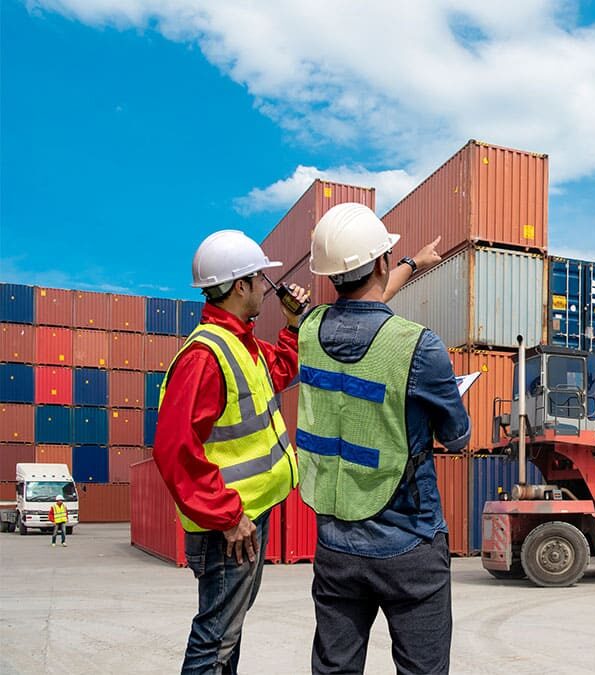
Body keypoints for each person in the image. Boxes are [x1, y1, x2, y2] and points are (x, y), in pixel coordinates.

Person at [296, 203, 470, 675]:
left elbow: (360, 312)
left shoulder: (308, 331)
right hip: (409, 542)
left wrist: (413, 263)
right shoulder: (419, 345)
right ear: (379, 262)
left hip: (335, 544)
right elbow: (457, 437)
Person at [152, 230, 309, 675]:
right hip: (228, 528)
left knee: (227, 634)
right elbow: (174, 449)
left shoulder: (242, 344)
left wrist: (293, 325)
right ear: (240, 285)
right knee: (215, 639)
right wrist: (227, 516)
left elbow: (280, 370)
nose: (265, 288)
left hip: (244, 518)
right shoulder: (205, 356)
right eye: (260, 279)